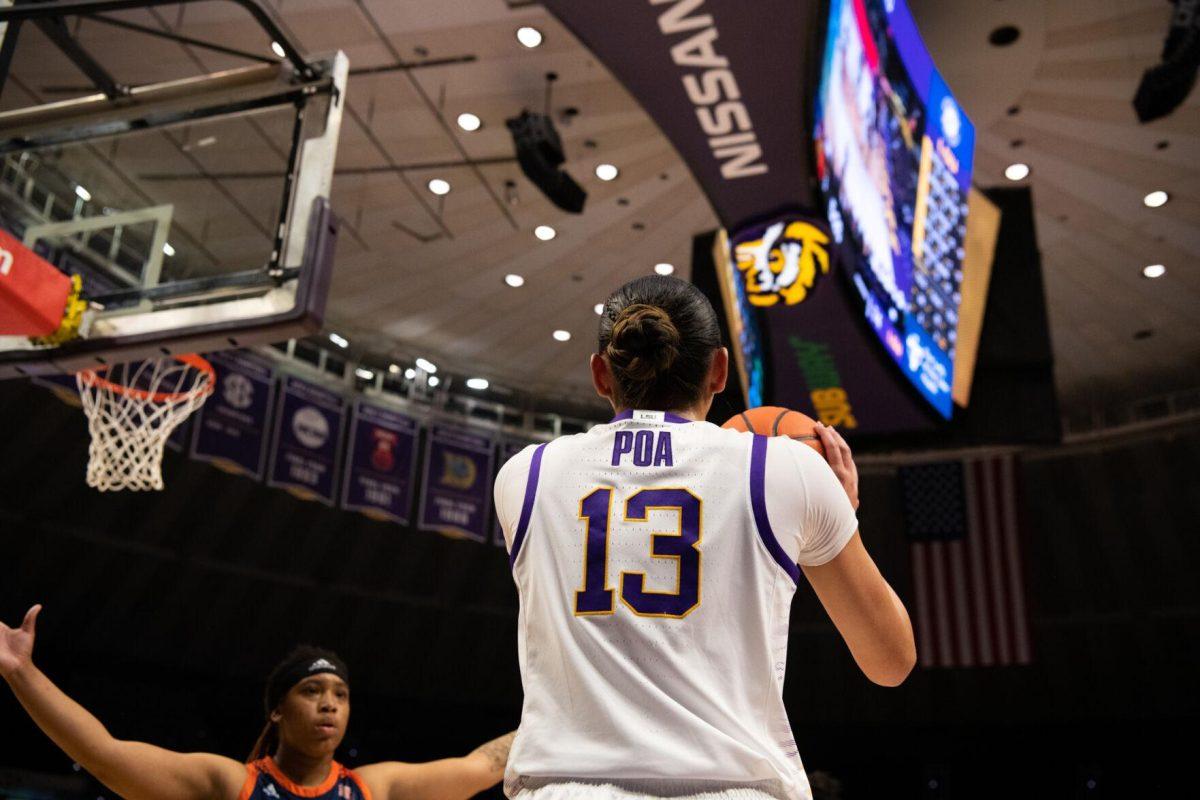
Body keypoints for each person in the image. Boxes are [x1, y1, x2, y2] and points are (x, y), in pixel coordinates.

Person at [494, 275, 915, 800]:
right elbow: (891, 663)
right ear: (719, 370)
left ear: (601, 374)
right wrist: (838, 516)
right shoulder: (785, 469)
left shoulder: (525, 474)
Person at [0, 615, 514, 800]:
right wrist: (21, 671)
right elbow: (102, 752)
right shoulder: (230, 785)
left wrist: (564, 711)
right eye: (311, 692)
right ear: (276, 712)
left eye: (340, 694)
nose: (329, 704)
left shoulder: (372, 789)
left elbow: (478, 768)